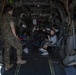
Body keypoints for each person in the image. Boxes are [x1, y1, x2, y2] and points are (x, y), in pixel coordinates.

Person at [1, 4, 26, 70]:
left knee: (7, 50)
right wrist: (15, 36)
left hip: (3, 36)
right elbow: (12, 26)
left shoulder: (2, 17)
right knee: (19, 45)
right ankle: (19, 60)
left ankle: (7, 65)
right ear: (10, 10)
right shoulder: (10, 16)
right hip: (9, 35)